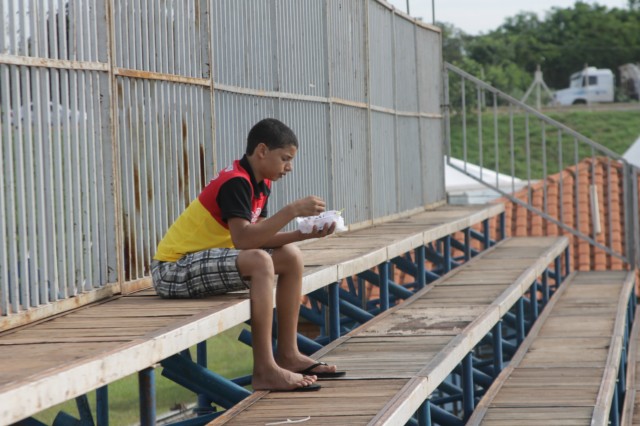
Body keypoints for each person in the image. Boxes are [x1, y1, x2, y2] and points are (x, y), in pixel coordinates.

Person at [151, 118, 344, 392]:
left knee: (290, 256)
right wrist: (291, 211)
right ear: (262, 151)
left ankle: (288, 353)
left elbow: (259, 236)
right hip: (172, 271)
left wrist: (303, 235)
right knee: (260, 261)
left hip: (203, 262)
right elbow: (244, 240)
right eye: (285, 159)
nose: (289, 167)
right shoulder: (236, 182)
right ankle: (265, 369)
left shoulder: (261, 182)